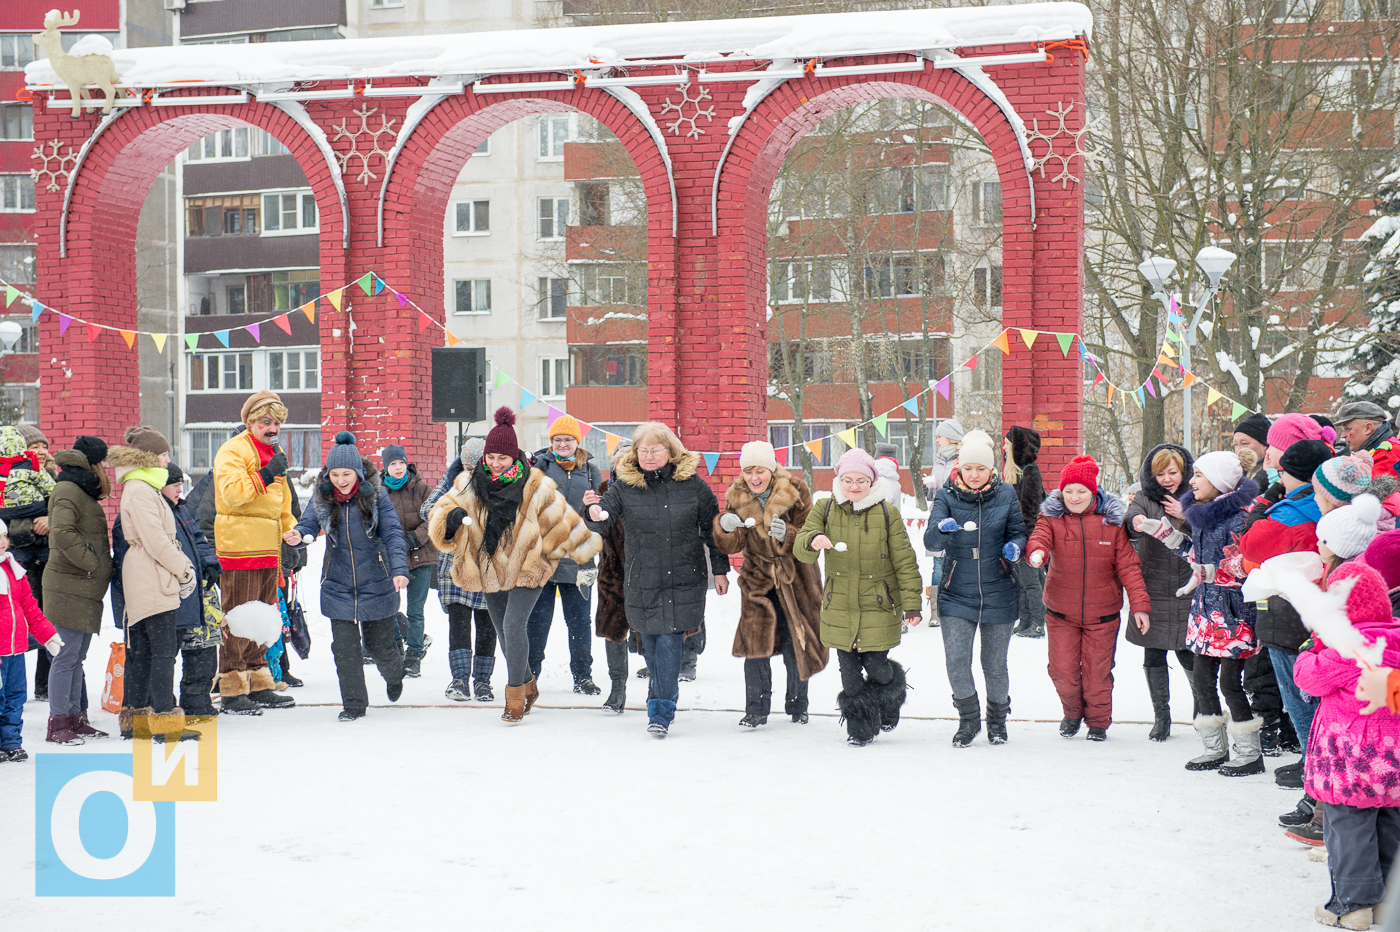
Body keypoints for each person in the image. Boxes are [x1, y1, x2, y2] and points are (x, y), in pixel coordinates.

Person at [431, 408, 602, 724]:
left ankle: (514, 696)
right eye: (491, 457)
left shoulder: (536, 485)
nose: (496, 464)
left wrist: (587, 556)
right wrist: (451, 520)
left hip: (530, 566)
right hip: (490, 567)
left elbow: (565, 523)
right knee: (503, 630)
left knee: (513, 624)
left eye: (503, 458)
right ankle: (529, 684)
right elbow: (438, 517)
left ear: (514, 458)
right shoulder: (469, 484)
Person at [582, 421, 727, 738]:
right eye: (643, 450)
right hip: (643, 578)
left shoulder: (692, 485)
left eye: (655, 450)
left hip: (684, 576)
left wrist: (720, 569)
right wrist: (592, 513)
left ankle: (660, 710)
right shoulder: (625, 485)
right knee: (650, 644)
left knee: (670, 643)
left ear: (670, 451)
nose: (648, 455)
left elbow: (712, 529)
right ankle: (664, 692)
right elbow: (603, 514)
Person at [1141, 448, 1261, 774]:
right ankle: (1214, 748)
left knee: (1230, 685)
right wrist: (1164, 532)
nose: (1190, 481)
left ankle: (1250, 753)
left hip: (1234, 615)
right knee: (1203, 680)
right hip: (1205, 613)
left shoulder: (1240, 517)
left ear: (1219, 482)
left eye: (1197, 475)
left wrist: (1210, 573)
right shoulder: (1201, 513)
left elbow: (1245, 566)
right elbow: (1196, 556)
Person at [1294, 563, 1400, 931]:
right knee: (1389, 825)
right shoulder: (1395, 637)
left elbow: (1307, 677)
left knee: (1349, 830)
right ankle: (1387, 901)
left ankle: (1351, 906)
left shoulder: (1343, 647)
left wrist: (1310, 647)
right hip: (1393, 763)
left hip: (1351, 764)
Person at [795, 447, 919, 745]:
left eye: (861, 481)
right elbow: (800, 546)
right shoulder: (824, 508)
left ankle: (891, 698)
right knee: (849, 678)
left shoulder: (887, 513)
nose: (854, 486)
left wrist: (912, 604)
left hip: (878, 605)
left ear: (872, 482)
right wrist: (813, 540)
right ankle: (860, 729)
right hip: (840, 607)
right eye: (848, 479)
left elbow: (905, 561)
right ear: (839, 479)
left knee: (878, 668)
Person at [285, 433, 409, 722]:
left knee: (380, 647)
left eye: (347, 474)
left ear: (358, 473)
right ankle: (354, 704)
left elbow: (392, 533)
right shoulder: (323, 497)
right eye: (335, 474)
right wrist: (298, 536)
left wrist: (400, 570)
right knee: (345, 650)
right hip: (338, 584)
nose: (341, 480)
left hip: (376, 581)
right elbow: (308, 524)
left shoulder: (377, 496)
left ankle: (394, 673)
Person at [1027, 455, 1151, 741]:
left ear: (1093, 491)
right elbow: (1040, 537)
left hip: (1102, 615)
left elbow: (1129, 567)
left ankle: (1097, 721)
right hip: (1061, 613)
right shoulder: (1051, 518)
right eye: (1068, 490)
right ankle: (1072, 713)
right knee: (1061, 671)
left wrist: (1140, 606)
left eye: (1081, 491)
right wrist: (1037, 552)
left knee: (1097, 674)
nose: (1074, 497)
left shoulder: (1112, 523)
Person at [1237, 439, 1331, 793]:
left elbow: (1249, 544)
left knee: (1299, 698)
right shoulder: (1332, 505)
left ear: (1289, 472)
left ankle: (1314, 770)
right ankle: (1314, 763)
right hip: (1318, 612)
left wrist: (1264, 503)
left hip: (1287, 616)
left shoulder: (1289, 512)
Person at [714, 441, 828, 728]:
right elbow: (734, 543)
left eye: (760, 470)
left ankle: (798, 706)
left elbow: (810, 533)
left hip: (797, 579)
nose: (755, 477)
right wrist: (725, 527)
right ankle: (756, 709)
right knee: (756, 646)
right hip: (758, 579)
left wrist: (788, 534)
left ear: (771, 469)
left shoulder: (796, 490)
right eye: (749, 471)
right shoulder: (736, 495)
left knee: (796, 644)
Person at [924, 429, 1027, 747]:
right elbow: (930, 540)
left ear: (991, 469)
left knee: (994, 664)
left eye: (980, 469)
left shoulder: (1007, 494)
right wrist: (941, 529)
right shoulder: (946, 496)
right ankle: (968, 720)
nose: (974, 474)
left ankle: (997, 721)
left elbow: (1019, 531)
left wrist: (1015, 547)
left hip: (999, 588)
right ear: (960, 468)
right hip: (956, 589)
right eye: (968, 468)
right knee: (956, 660)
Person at [213, 391, 296, 714]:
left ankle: (260, 682)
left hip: (268, 547)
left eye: (276, 423)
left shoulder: (273, 452)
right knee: (238, 619)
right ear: (251, 422)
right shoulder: (234, 449)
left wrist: (291, 528)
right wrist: (265, 473)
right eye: (266, 422)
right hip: (240, 548)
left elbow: (282, 500)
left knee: (261, 621)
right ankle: (233, 688)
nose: (272, 428)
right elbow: (232, 494)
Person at [111, 428, 197, 739]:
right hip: (152, 575)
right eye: (163, 455)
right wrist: (184, 570)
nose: (168, 460)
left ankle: (136, 720)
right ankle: (164, 723)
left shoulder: (140, 486)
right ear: (148, 457)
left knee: (146, 651)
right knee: (162, 651)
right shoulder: (142, 490)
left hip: (147, 573)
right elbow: (156, 540)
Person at [525, 414, 604, 695]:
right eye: (557, 440)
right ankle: (530, 676)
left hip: (580, 558)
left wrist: (589, 510)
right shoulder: (540, 466)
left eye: (568, 439)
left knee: (580, 623)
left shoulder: (592, 471)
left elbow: (598, 519)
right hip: (544, 559)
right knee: (537, 623)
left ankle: (583, 676)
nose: (562, 444)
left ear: (577, 441)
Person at [43, 436, 113, 744]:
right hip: (69, 583)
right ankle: (59, 723)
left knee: (76, 656)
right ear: (92, 462)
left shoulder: (79, 487)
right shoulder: (68, 488)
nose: (106, 469)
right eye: (102, 462)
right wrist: (91, 563)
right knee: (66, 655)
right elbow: (61, 531)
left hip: (82, 586)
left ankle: (75, 718)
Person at [1125, 443, 1196, 740]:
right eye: (1161, 474)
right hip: (1152, 584)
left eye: (1173, 472)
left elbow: (1208, 529)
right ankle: (1161, 716)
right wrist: (1136, 522)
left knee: (1188, 654)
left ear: (1183, 472)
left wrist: (1186, 512)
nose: (1167, 479)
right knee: (1153, 654)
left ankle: (1203, 709)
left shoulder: (1196, 496)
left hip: (1186, 585)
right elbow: (1130, 519)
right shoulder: (1144, 497)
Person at [422, 437, 498, 702]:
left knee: (487, 624)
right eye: (467, 463)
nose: (470, 469)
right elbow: (427, 509)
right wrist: (449, 515)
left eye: (476, 464)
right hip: (455, 565)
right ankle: (459, 680)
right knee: (459, 623)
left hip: (489, 565)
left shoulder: (499, 484)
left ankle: (483, 682)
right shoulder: (451, 480)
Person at [158, 464, 222, 722]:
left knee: (204, 646)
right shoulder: (155, 511)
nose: (179, 489)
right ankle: (164, 706)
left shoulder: (181, 508)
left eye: (180, 484)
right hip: (174, 592)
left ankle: (197, 702)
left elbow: (198, 539)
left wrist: (209, 561)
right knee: (167, 653)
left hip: (199, 591)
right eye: (174, 485)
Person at [0, 517, 62, 761]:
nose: (2, 543)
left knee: (15, 698)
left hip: (15, 650)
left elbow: (30, 607)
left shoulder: (13, 570)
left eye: (4, 537)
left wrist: (48, 635)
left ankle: (11, 742)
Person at [0, 425, 55, 700]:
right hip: (17, 562)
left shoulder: (51, 476)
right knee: (20, 619)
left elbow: (65, 510)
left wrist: (51, 520)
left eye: (44, 445)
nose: (42, 451)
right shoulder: (6, 474)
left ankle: (44, 685)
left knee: (48, 617)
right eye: (35, 446)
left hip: (46, 559)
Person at [381, 444, 434, 678]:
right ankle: (395, 651)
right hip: (391, 560)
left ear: (407, 464)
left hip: (421, 556)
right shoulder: (378, 491)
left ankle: (414, 655)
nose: (398, 467)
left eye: (401, 462)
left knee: (416, 610)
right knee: (390, 608)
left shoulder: (421, 488)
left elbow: (434, 518)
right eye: (393, 464)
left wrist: (414, 538)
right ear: (386, 468)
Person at [595, 441, 632, 712]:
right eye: (619, 462)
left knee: (650, 632)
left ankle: (657, 687)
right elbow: (594, 528)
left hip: (645, 571)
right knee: (613, 631)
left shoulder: (648, 491)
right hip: (612, 570)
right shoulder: (604, 492)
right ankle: (617, 689)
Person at [1004, 426, 1046, 639]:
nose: (1003, 446)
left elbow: (1031, 508)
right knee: (1021, 582)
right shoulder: (1014, 473)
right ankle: (1025, 620)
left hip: (1028, 536)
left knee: (1032, 582)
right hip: (1016, 536)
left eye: (1007, 443)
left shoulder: (1030, 470)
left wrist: (1025, 540)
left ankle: (1038, 624)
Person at [921, 418, 964, 627]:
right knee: (938, 565)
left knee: (958, 564)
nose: (936, 440)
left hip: (958, 520)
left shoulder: (964, 460)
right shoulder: (938, 460)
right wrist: (928, 490)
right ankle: (936, 612)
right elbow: (935, 494)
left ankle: (956, 607)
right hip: (938, 519)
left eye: (939, 436)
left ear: (951, 437)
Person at [1334, 400, 1398, 481]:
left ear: (1368, 428)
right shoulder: (1378, 452)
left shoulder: (1388, 455)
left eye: (1347, 428)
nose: (1342, 435)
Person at [1233, 412, 1275, 488]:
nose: (1238, 450)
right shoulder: (1235, 475)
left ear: (1264, 445)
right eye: (1236, 444)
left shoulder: (1275, 476)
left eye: (1244, 443)